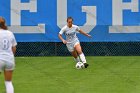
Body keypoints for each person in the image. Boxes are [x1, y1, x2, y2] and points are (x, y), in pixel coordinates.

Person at [0, 17, 17, 93]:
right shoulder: (10, 33)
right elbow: (14, 47)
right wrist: (10, 56)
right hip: (9, 59)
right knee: (8, 82)